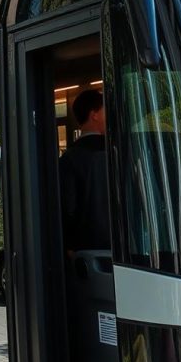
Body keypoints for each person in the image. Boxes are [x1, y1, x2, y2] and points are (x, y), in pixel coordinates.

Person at [59, 89, 110, 252]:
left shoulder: (68, 159)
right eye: (105, 110)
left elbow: (68, 208)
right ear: (94, 114)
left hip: (85, 251)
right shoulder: (115, 153)